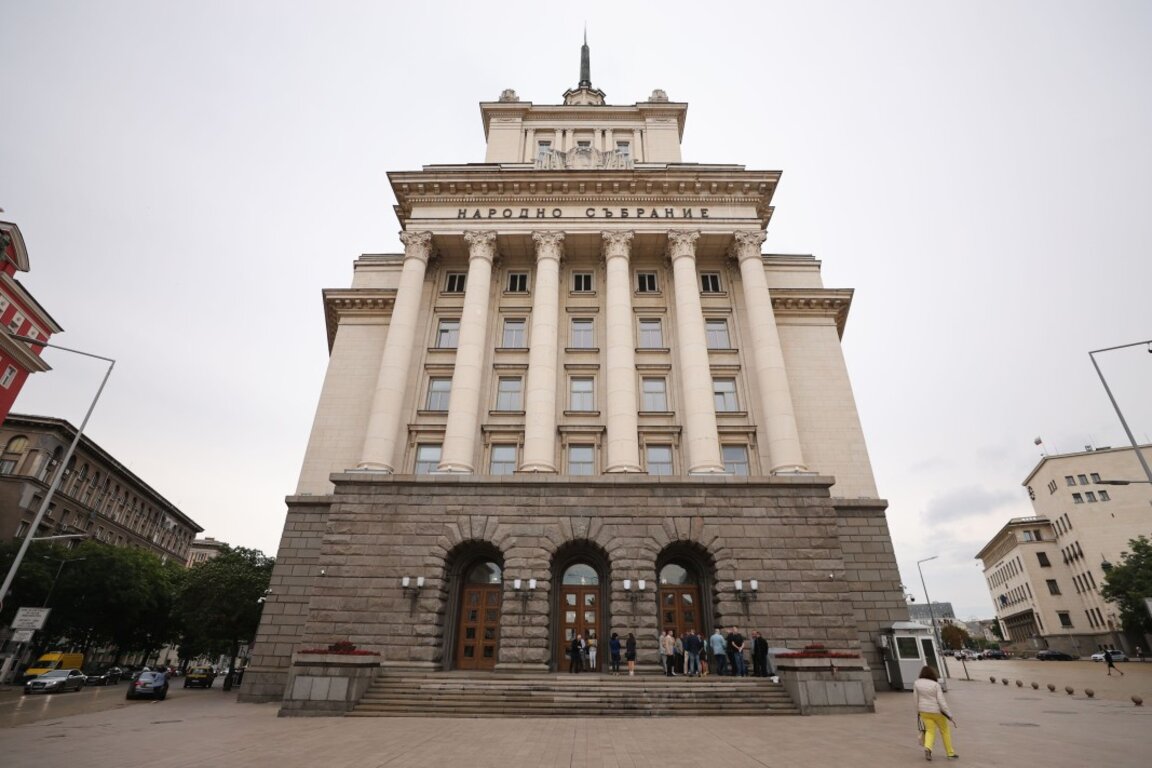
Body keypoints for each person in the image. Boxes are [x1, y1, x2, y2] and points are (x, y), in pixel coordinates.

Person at [914, 665, 958, 761]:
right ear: (932, 674)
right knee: (945, 731)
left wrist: (918, 711)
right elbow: (941, 701)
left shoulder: (917, 683)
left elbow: (915, 699)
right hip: (937, 712)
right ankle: (950, 753)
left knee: (930, 730)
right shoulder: (935, 685)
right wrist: (949, 715)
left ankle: (928, 748)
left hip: (924, 711)